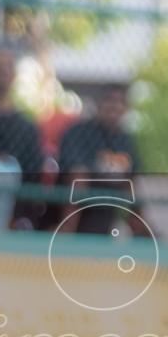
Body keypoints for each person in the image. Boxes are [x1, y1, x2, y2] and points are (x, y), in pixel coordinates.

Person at [57, 82, 141, 236]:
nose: (115, 106)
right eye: (109, 100)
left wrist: (141, 226)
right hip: (75, 218)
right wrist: (67, 228)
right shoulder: (79, 132)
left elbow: (132, 186)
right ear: (98, 103)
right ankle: (66, 234)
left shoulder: (125, 142)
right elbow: (78, 176)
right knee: (79, 179)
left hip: (105, 221)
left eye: (121, 102)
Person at [0, 49, 46, 229]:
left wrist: (17, 218)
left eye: (6, 68)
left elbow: (32, 175)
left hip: (7, 217)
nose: (0, 73)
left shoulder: (26, 128)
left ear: (13, 75)